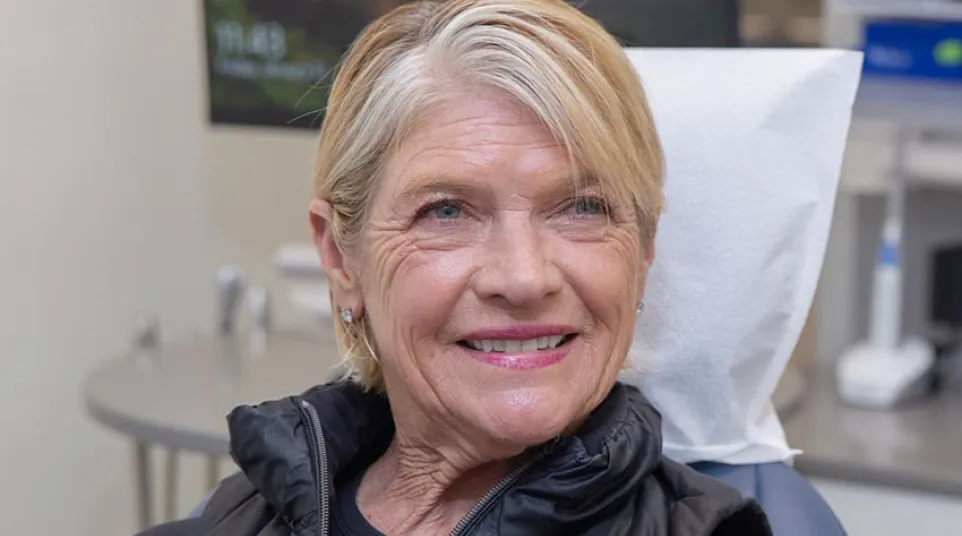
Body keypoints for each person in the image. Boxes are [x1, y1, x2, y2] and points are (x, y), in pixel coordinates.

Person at [141, 1, 773, 534]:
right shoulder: (232, 517)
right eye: (446, 212)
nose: (524, 278)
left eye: (583, 207)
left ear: (642, 249)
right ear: (340, 257)